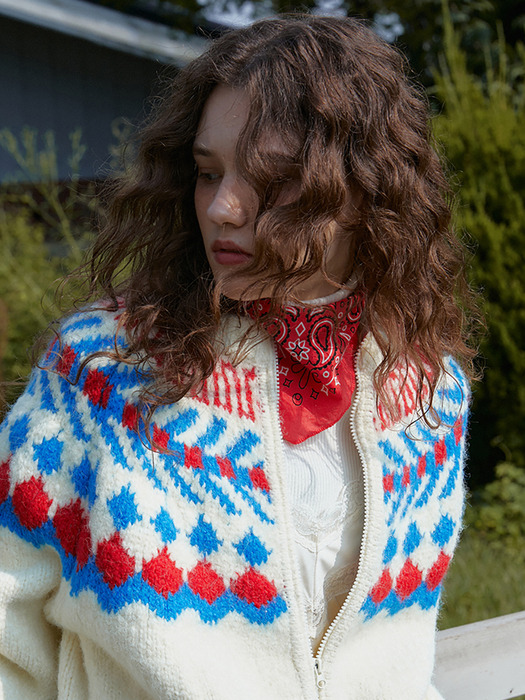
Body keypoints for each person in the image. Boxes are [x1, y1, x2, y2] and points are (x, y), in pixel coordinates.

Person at [0, 14, 476, 700]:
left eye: (272, 179)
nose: (222, 208)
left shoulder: (427, 390)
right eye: (206, 171)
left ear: (364, 190)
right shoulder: (105, 371)